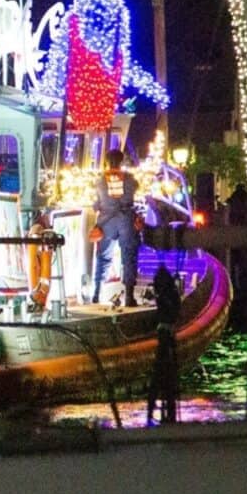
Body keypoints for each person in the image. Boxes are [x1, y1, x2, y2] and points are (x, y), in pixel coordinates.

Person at [92, 148, 140, 307]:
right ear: (121, 161)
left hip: (106, 222)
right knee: (129, 257)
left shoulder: (99, 180)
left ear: (107, 161)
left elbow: (96, 203)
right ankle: (129, 297)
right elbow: (135, 188)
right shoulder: (130, 179)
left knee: (103, 257)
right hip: (126, 220)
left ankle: (96, 293)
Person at [147, 264, 181, 424]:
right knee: (170, 377)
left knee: (158, 375)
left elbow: (163, 314)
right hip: (169, 335)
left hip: (164, 335)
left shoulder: (164, 296)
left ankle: (151, 411)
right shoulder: (172, 294)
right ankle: (170, 412)